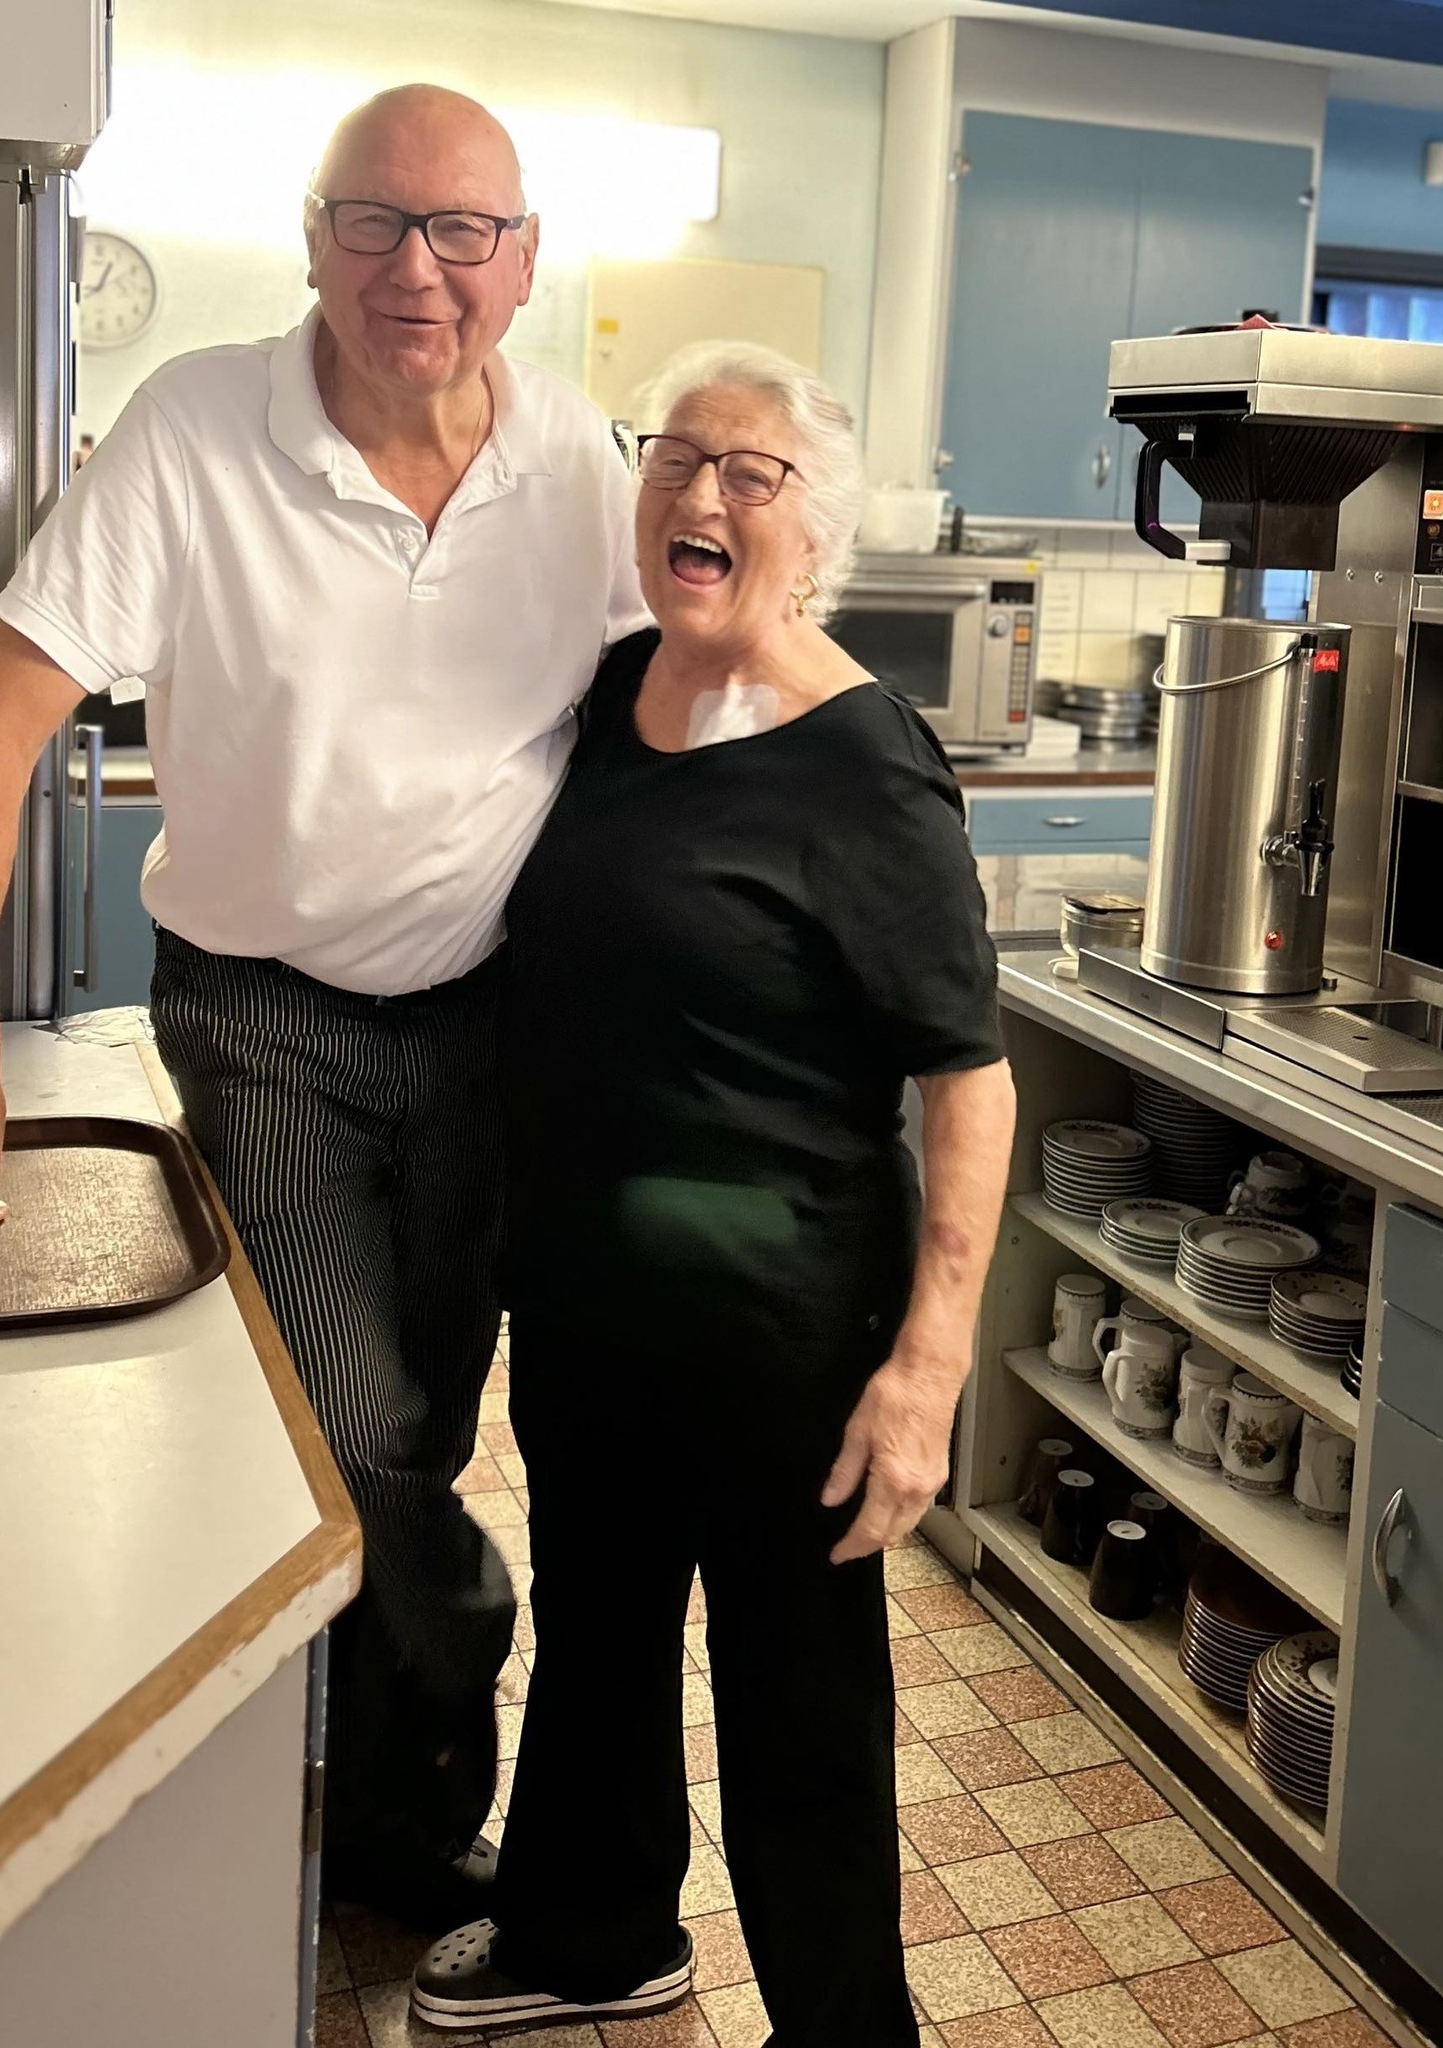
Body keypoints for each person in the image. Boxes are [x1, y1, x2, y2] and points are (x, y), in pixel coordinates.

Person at [0, 84, 645, 1930]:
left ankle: (365, 1818)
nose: (416, 270)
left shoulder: (587, 467)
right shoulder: (198, 427)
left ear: (520, 266)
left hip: (488, 1028)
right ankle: (432, 1751)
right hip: (264, 1012)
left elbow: (682, 695)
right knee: (358, 1437)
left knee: (421, 1438)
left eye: (462, 233)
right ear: (310, 237)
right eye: (374, 222)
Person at [409, 343, 1017, 2042]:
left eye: (755, 475)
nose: (704, 496)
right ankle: (593, 1937)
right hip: (596, 1304)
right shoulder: (612, 696)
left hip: (787, 1331)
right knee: (597, 1640)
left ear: (814, 531)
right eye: (679, 458)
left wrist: (928, 1368)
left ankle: (843, 2030)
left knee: (797, 1700)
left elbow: (969, 1080)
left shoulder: (866, 761)